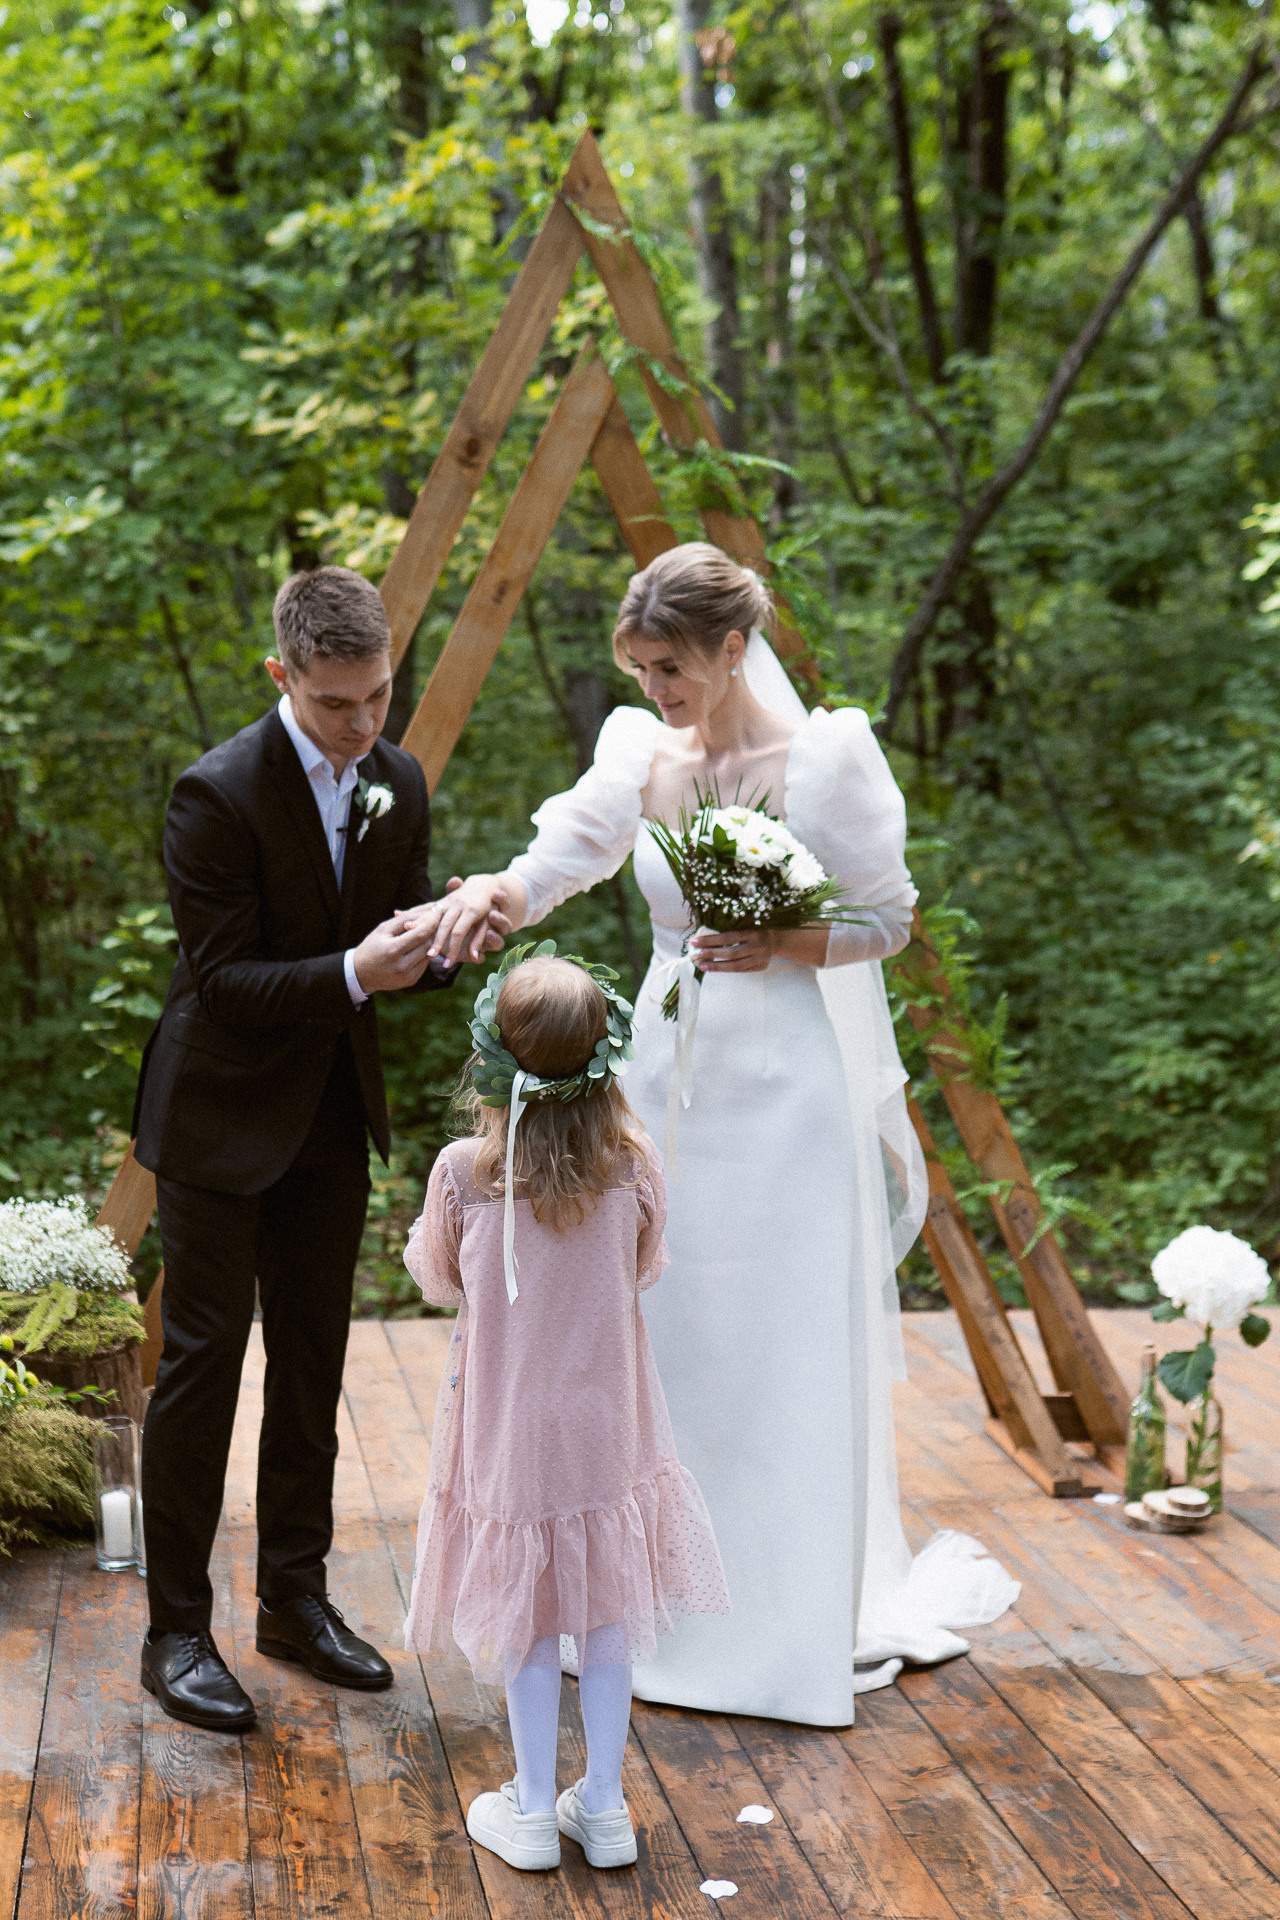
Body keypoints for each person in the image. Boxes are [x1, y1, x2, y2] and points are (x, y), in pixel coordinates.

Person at [414, 542, 1018, 1728]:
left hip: (784, 1084)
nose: (654, 689)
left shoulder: (825, 756)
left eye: (671, 666)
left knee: (775, 1342)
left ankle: (780, 1631)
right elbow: (565, 857)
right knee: (670, 1337)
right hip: (668, 1078)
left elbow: (883, 921)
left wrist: (780, 943)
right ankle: (656, 1610)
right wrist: (498, 892)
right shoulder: (640, 753)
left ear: (732, 648)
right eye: (638, 668)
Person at [132, 565, 504, 1733]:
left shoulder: (397, 778)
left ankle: (293, 1600)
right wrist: (357, 972)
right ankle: (176, 1631)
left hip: (330, 1116)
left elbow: (395, 943)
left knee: (313, 1366)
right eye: (336, 703)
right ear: (280, 675)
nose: (363, 724)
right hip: (215, 1116)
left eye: (377, 695)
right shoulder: (215, 793)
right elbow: (228, 983)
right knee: (200, 1372)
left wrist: (450, 942)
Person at [402, 946, 728, 1873]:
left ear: (497, 1057)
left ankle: (537, 1809)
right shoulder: (631, 1162)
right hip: (609, 1423)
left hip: (508, 1427)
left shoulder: (466, 1170)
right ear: (602, 1054)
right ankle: (610, 1804)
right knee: (609, 1614)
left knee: (532, 1614)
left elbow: (436, 1277)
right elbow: (647, 1264)